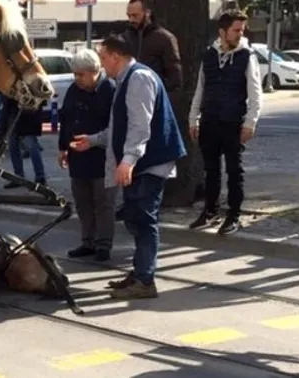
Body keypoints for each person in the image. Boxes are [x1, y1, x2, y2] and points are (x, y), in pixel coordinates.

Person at [69, 35, 187, 300]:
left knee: (144, 220)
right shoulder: (125, 79)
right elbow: (119, 126)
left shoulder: (138, 78)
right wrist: (94, 140)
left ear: (115, 56)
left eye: (102, 57)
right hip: (142, 162)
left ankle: (145, 280)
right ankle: (140, 273)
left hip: (149, 163)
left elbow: (139, 126)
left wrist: (128, 160)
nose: (101, 63)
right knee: (135, 218)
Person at [186, 10, 262, 235]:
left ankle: (234, 214)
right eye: (236, 30)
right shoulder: (209, 55)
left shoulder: (247, 56)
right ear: (222, 31)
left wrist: (251, 122)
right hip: (210, 120)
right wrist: (193, 118)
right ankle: (210, 210)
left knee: (234, 170)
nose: (240, 34)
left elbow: (255, 93)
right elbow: (200, 89)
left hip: (232, 121)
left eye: (242, 30)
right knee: (211, 170)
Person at [58, 49, 117, 262]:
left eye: (81, 75)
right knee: (83, 202)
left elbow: (115, 127)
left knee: (103, 202)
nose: (77, 79)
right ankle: (87, 241)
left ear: (94, 71)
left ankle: (103, 244)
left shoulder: (109, 90)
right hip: (78, 157)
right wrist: (63, 147)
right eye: (75, 75)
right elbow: (65, 117)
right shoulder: (74, 90)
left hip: (102, 157)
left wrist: (93, 141)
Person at [122, 0, 183, 93]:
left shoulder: (165, 39)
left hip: (154, 95)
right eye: (129, 16)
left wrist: (157, 91)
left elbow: (174, 77)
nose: (131, 20)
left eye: (135, 15)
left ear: (147, 13)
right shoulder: (126, 37)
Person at [0, 93, 47, 188]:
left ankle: (40, 177)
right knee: (13, 147)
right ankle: (19, 177)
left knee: (31, 146)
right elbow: (6, 101)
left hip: (27, 117)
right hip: (14, 115)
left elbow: (42, 98)